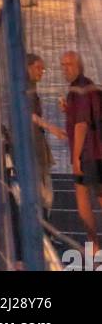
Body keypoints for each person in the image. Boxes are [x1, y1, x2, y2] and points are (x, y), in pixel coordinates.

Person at [59, 50, 102, 249]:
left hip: (87, 155)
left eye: (68, 64)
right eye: (62, 65)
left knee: (83, 202)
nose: (64, 69)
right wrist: (69, 110)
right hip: (98, 150)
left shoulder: (77, 90)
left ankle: (94, 246)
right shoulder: (91, 86)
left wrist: (76, 158)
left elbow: (82, 125)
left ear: (78, 66)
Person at [26, 53, 62, 213]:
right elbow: (27, 113)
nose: (41, 72)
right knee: (44, 195)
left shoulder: (31, 87)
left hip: (37, 145)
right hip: (32, 147)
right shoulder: (25, 89)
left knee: (45, 192)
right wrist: (50, 127)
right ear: (27, 68)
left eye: (43, 69)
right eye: (38, 68)